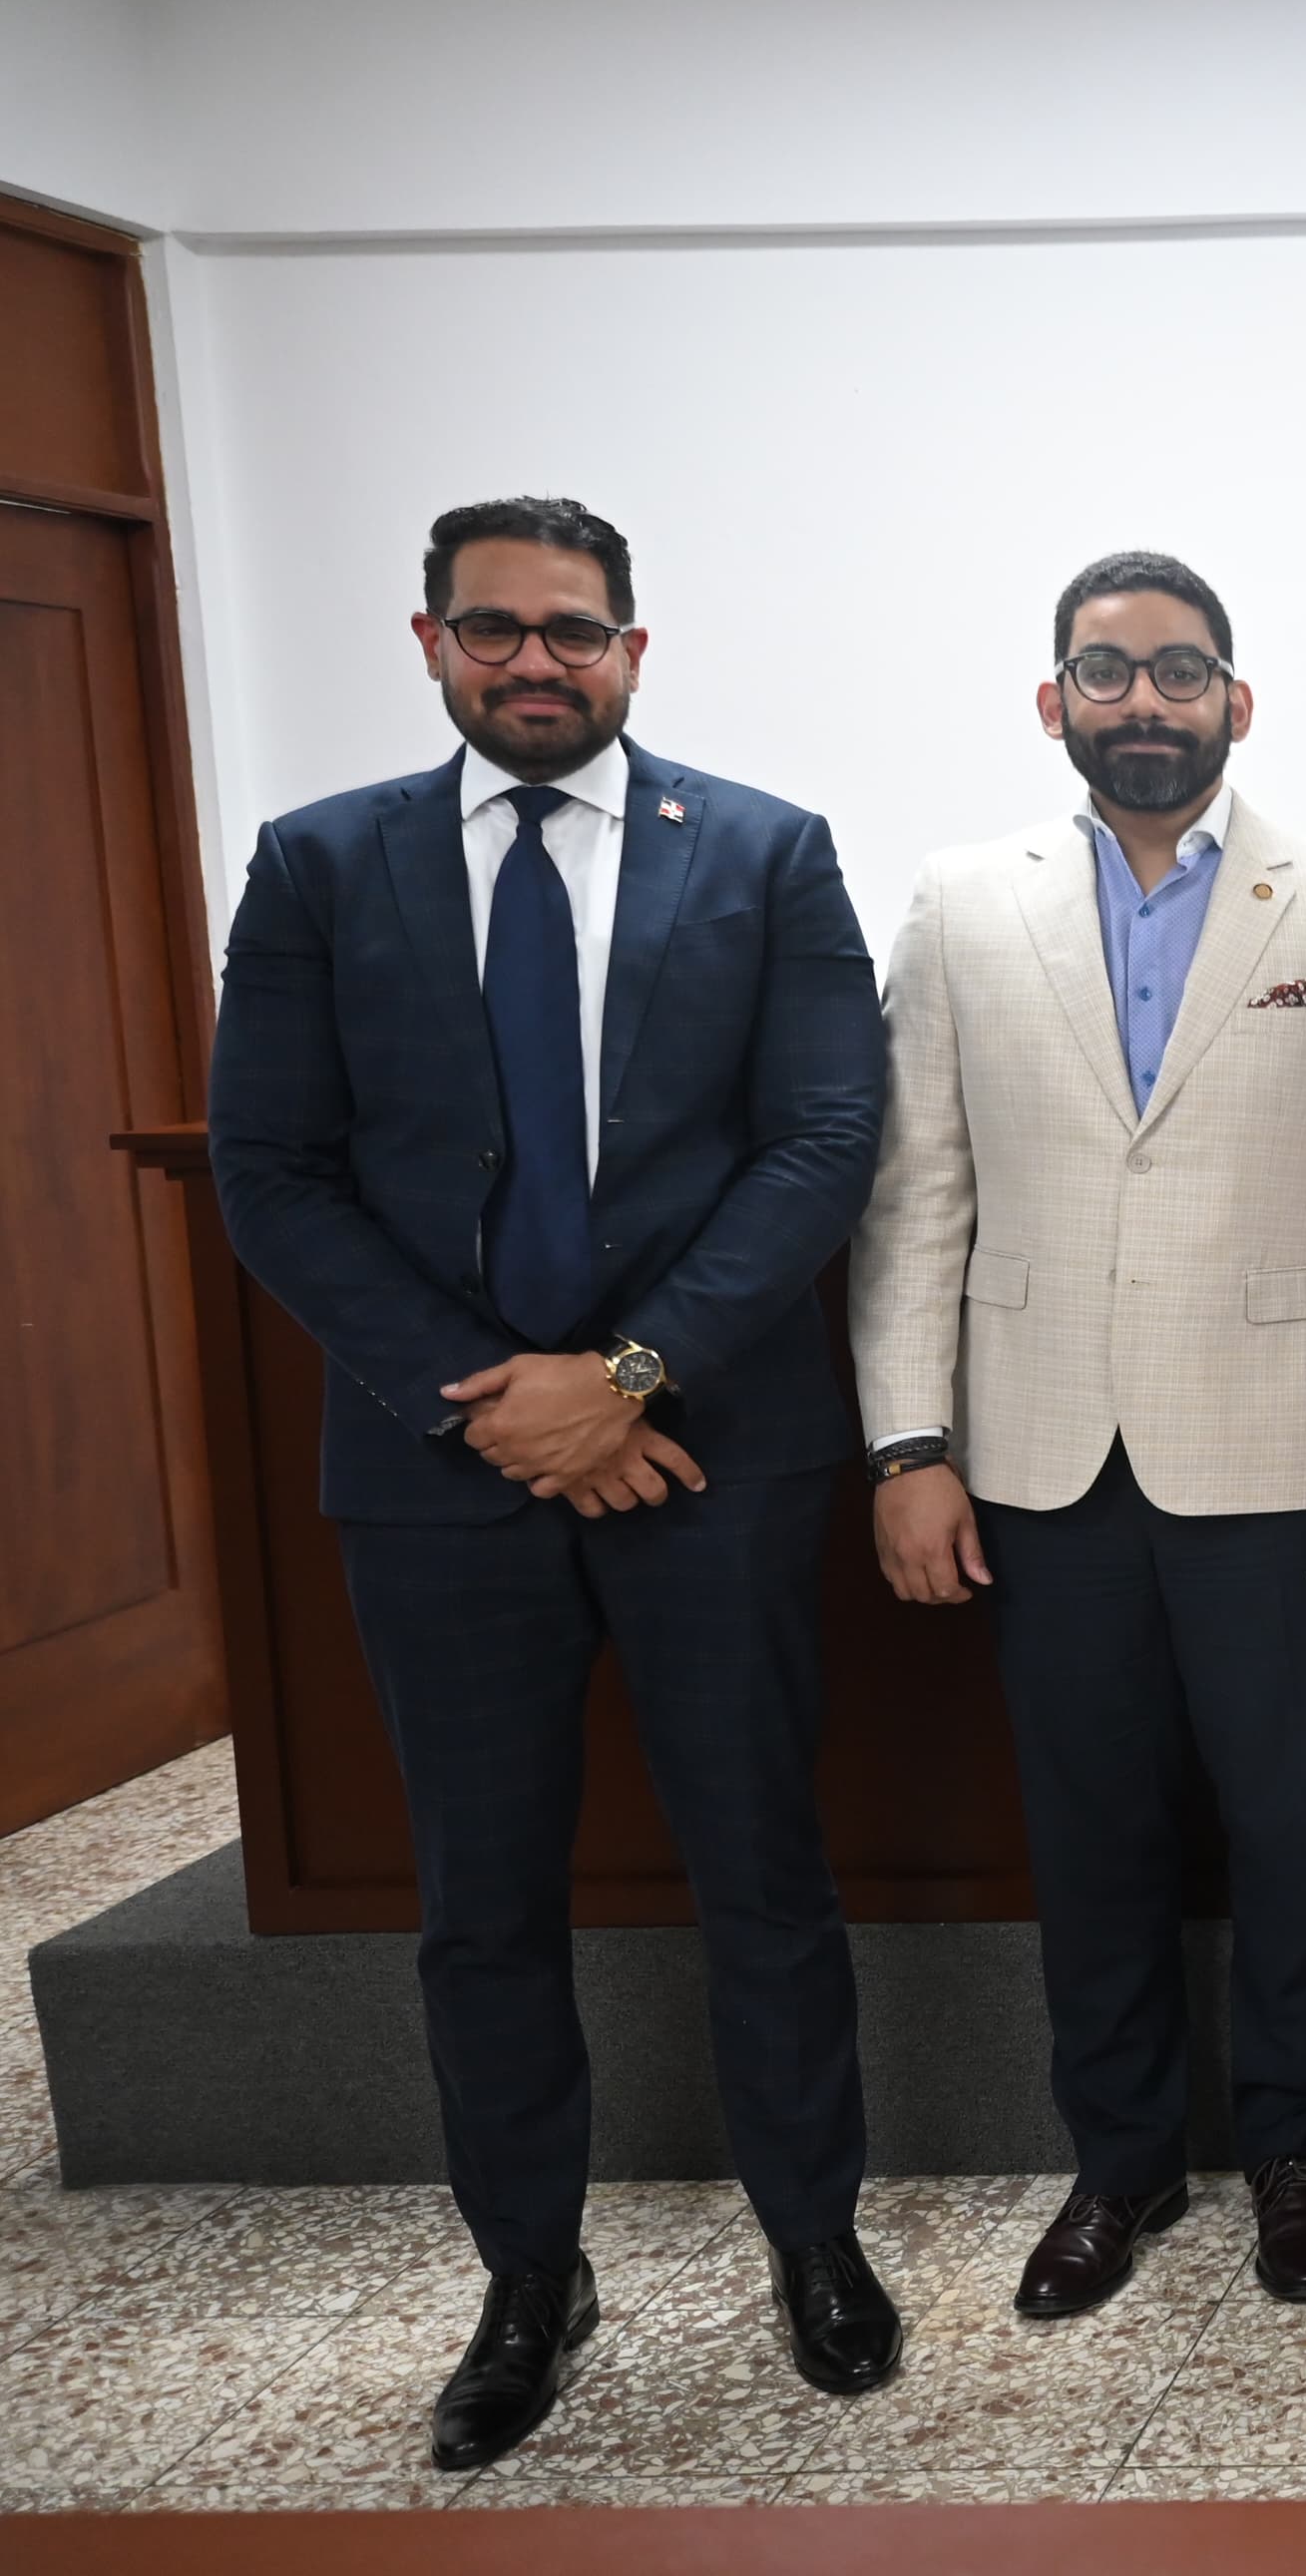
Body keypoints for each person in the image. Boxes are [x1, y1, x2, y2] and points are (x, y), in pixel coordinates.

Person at [206, 497, 898, 2465]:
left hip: (709, 1456)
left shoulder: (762, 854)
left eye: (572, 631)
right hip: (440, 1478)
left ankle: (816, 2241)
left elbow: (822, 1136)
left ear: (634, 650)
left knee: (764, 1869)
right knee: (481, 1902)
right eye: (494, 629)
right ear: (428, 642)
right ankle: (531, 2277)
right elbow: (272, 1168)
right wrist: (488, 1397)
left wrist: (629, 1375)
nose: (535, 662)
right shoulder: (323, 864)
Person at [850, 550, 1306, 2316]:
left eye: (1181, 674)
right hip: (1036, 1460)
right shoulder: (960, 905)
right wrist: (906, 1445)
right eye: (1108, 675)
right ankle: (1117, 2167)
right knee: (1090, 1828)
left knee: (1290, 1826)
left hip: (1280, 1455)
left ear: (1236, 701)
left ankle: (1291, 2151)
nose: (1145, 704)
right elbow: (914, 1198)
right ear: (1055, 702)